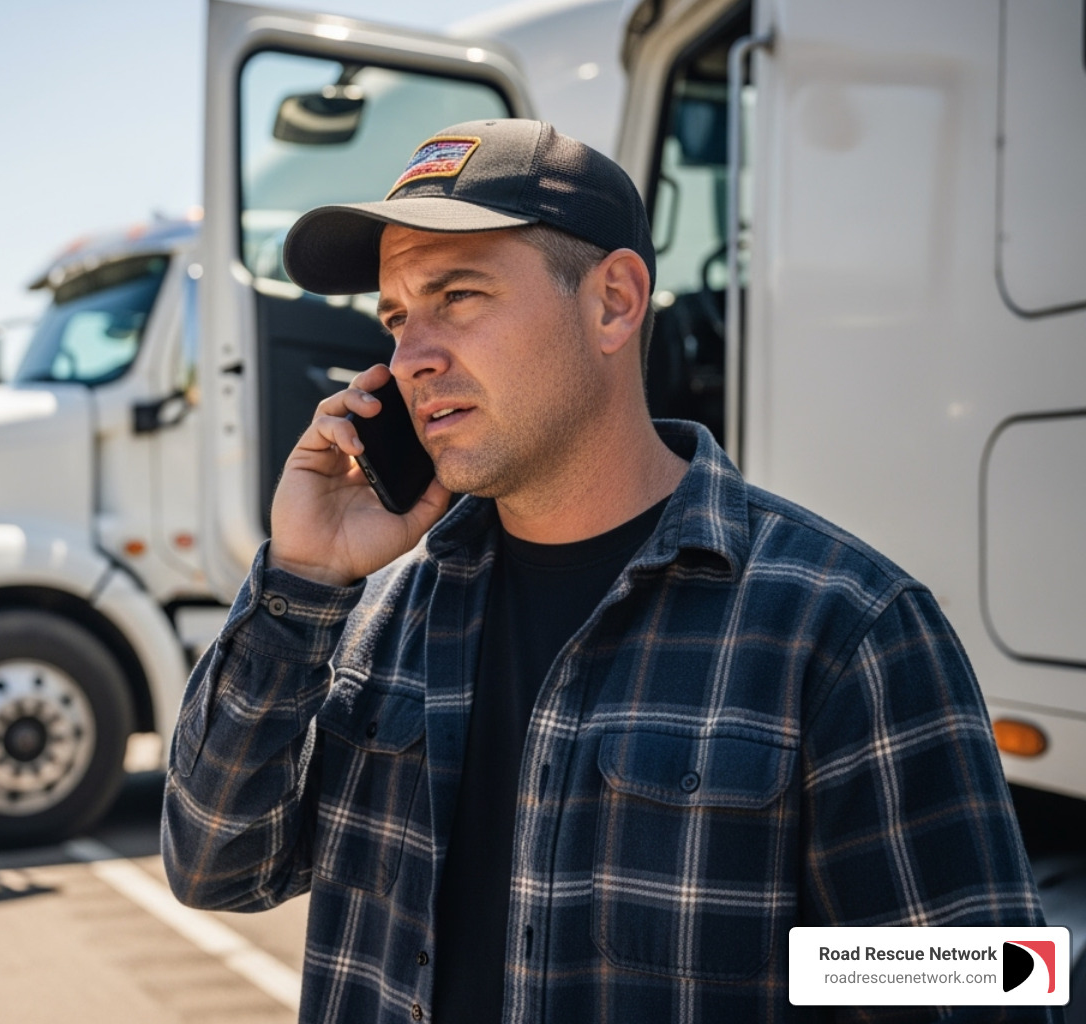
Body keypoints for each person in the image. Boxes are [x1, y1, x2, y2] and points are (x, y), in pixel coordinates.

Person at [161, 119, 1054, 1023]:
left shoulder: (845, 627)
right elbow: (214, 867)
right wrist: (302, 583)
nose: (409, 358)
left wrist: (786, 972)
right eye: (396, 316)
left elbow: (985, 983)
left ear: (614, 303)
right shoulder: (376, 614)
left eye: (458, 296)